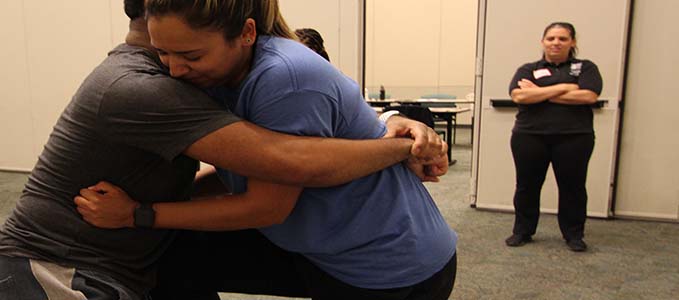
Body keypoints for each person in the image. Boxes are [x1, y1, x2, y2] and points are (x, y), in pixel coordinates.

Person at [0, 1, 447, 299]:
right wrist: (395, 133)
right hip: (322, 245)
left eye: (190, 56)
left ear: (246, 33)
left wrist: (139, 213)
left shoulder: (275, 75)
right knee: (181, 259)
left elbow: (279, 185)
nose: (176, 70)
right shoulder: (197, 78)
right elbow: (276, 163)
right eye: (165, 53)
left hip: (386, 263)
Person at [505, 22, 603, 252]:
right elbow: (519, 96)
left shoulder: (586, 68)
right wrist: (567, 87)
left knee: (573, 187)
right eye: (551, 38)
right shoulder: (528, 68)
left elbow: (588, 96)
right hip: (529, 136)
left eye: (562, 38)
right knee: (526, 186)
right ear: (543, 42)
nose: (556, 43)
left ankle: (574, 235)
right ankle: (523, 231)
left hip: (574, 137)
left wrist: (539, 92)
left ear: (572, 42)